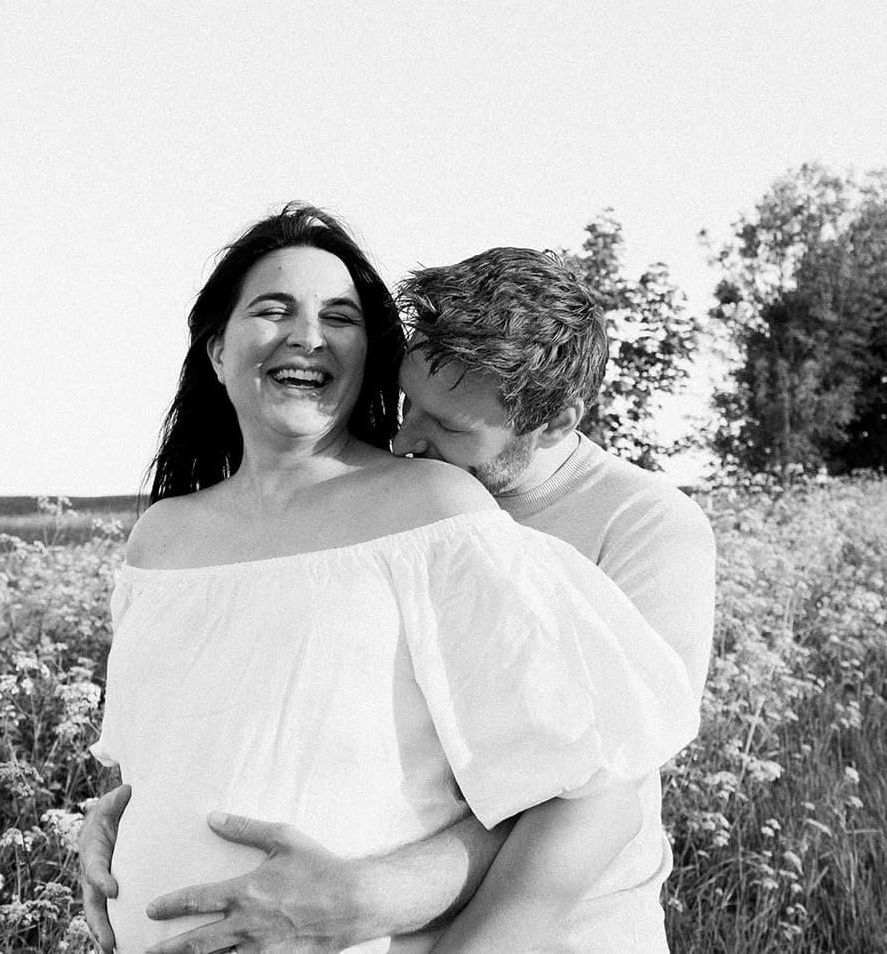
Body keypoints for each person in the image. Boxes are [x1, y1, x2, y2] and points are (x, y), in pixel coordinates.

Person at [87, 206, 699, 954]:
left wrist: (368, 897)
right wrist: (119, 826)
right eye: (273, 309)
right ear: (215, 350)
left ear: (553, 422)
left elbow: (601, 784)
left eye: (339, 317)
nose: (408, 437)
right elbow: (171, 749)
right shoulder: (161, 538)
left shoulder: (479, 516)